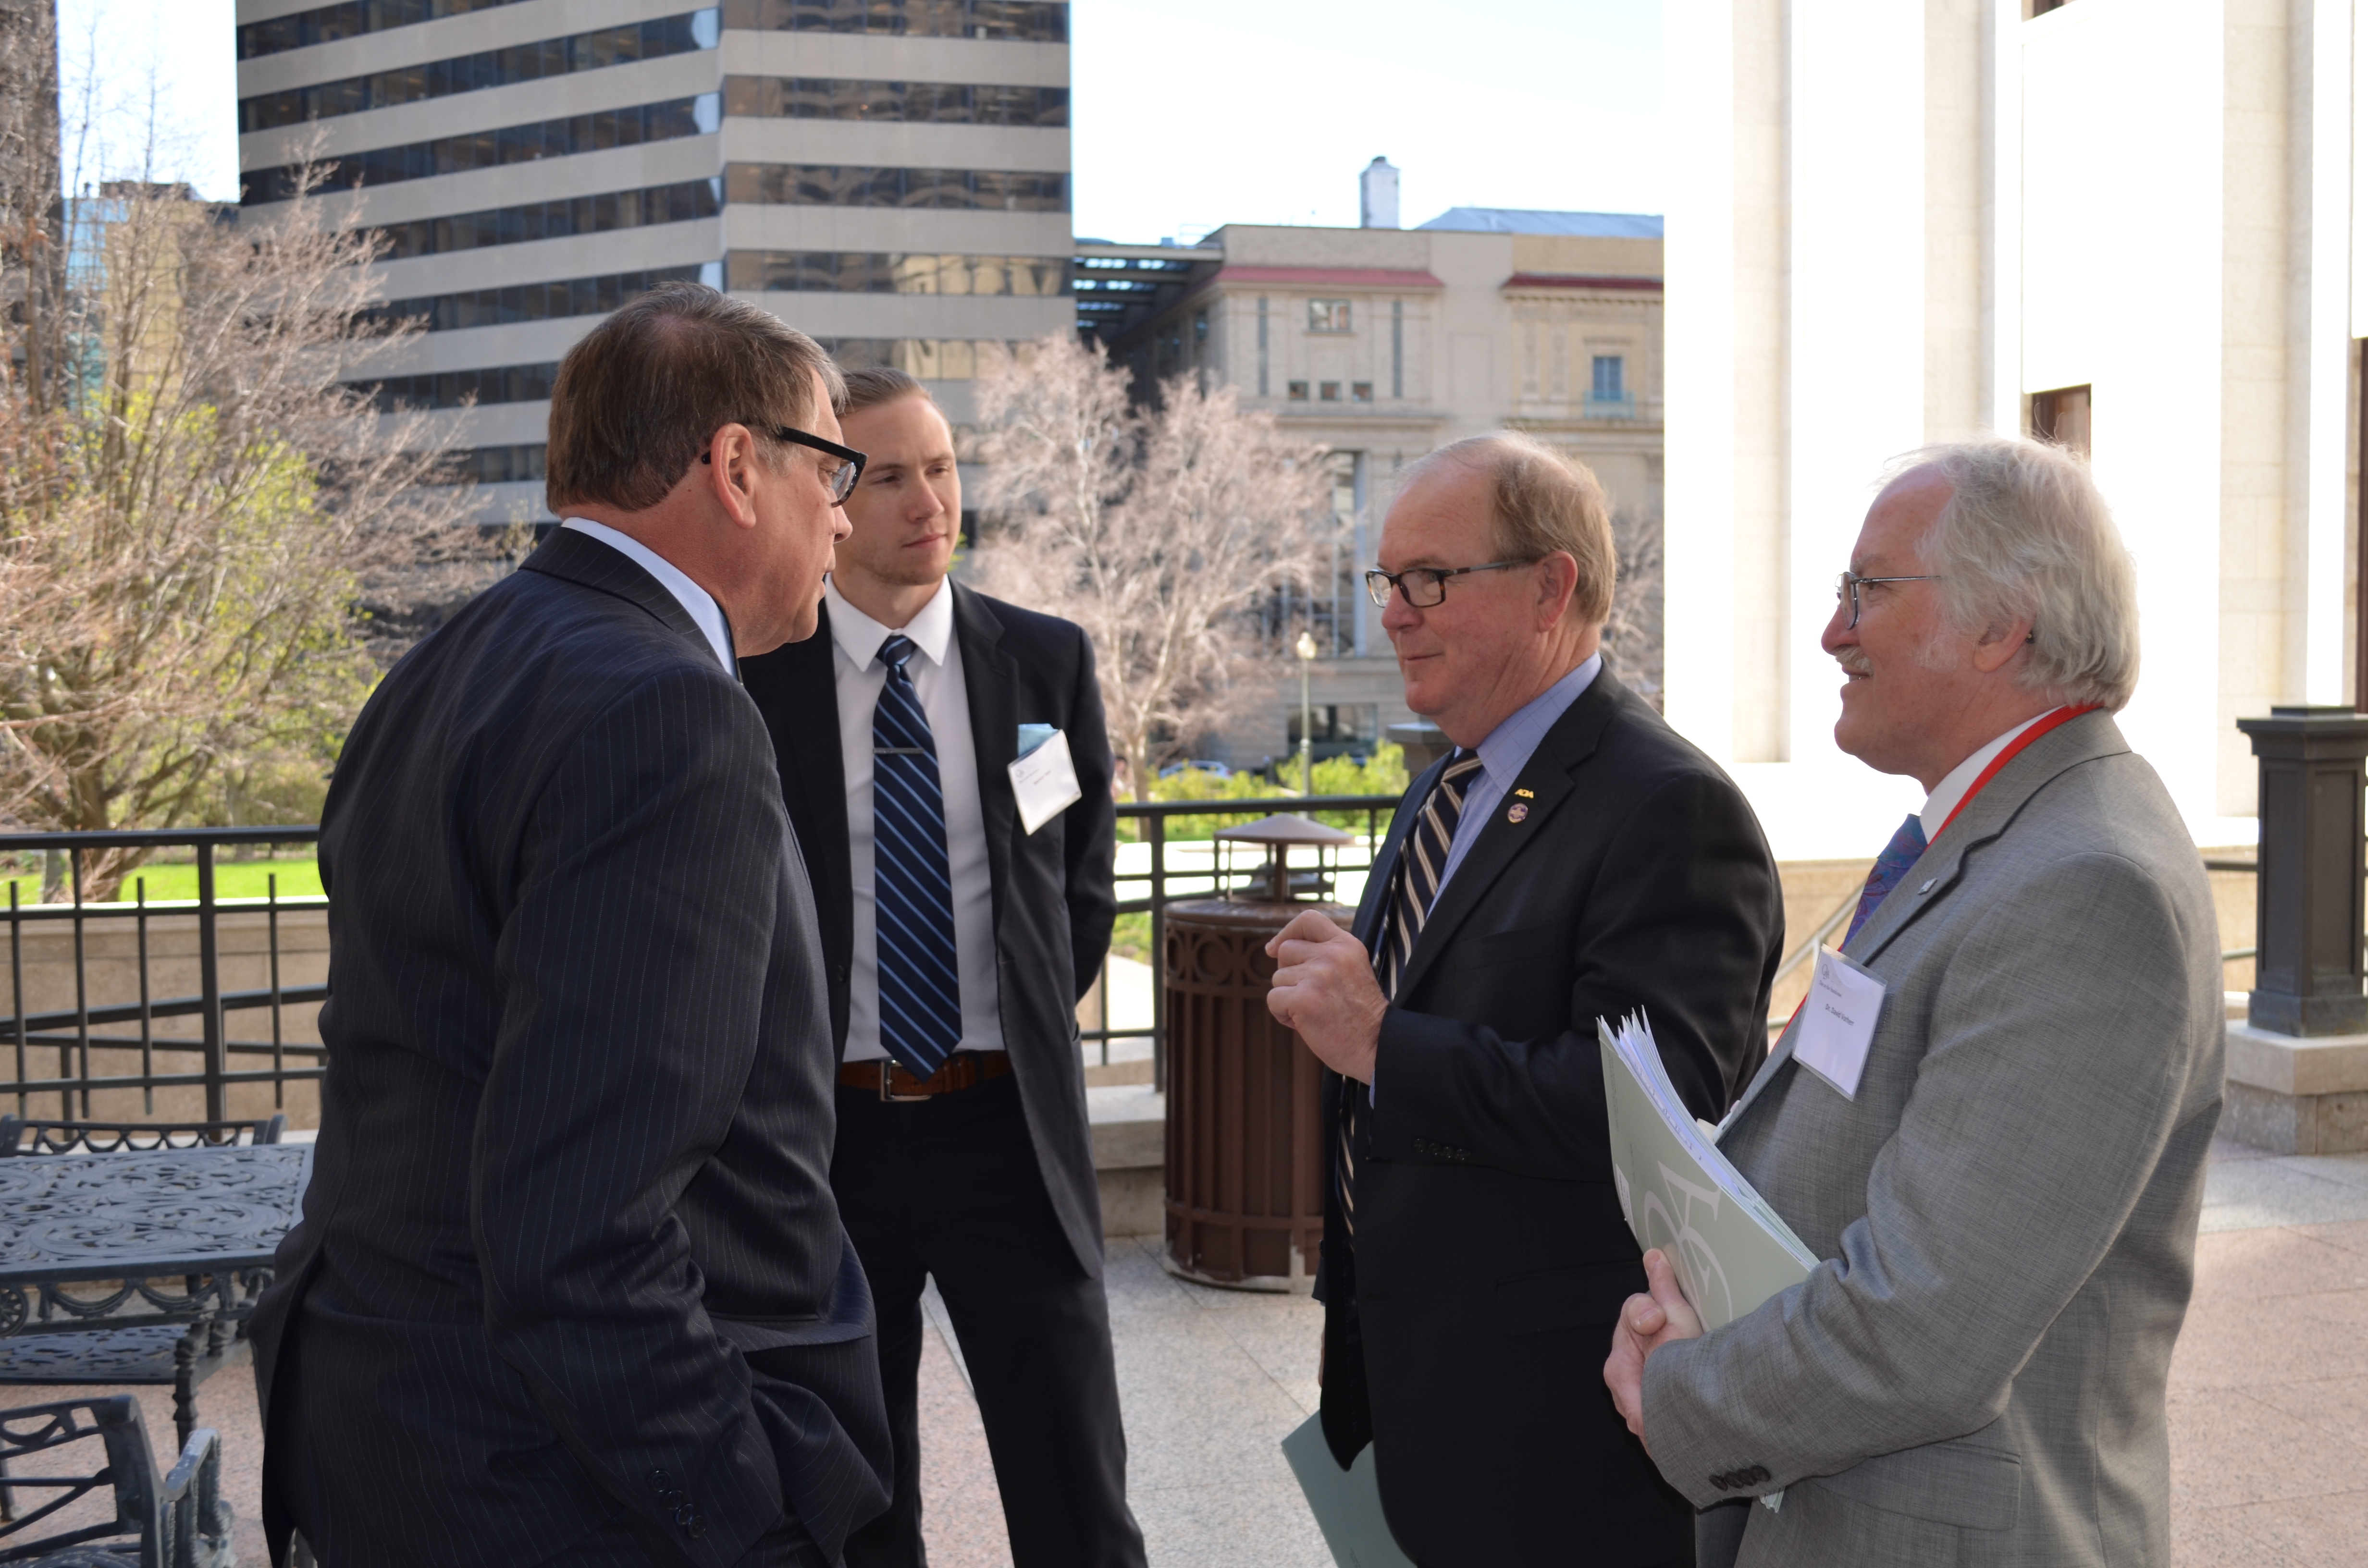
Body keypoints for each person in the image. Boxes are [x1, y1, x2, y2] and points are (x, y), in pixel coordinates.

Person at [248, 284, 893, 1568]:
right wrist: (742, 1506)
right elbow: (580, 1231)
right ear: (734, 466)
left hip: (393, 1423)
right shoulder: (669, 714)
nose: (843, 512)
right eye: (832, 465)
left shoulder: (443, 668)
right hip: (550, 1485)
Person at [1603, 438, 2224, 1567]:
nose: (1834, 632)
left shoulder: (2089, 887)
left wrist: (1685, 1391)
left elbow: (1925, 1325)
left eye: (1865, 591)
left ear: (2001, 625)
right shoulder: (1995, 838)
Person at [1264, 431, 1786, 1567]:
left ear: (1553, 587)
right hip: (1418, 1383)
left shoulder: (1669, 808)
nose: (1392, 613)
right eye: (1385, 581)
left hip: (1561, 1427)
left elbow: (1651, 1117)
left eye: (1430, 580)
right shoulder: (1445, 781)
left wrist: (1380, 1044)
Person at [739, 366, 1145, 1568]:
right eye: (892, 474)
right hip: (830, 1144)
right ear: (831, 497)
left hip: (1006, 1134)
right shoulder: (754, 681)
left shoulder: (1044, 666)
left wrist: (1000, 1027)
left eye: (944, 465)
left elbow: (1076, 888)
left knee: (1077, 1488)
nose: (932, 500)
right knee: (860, 1500)